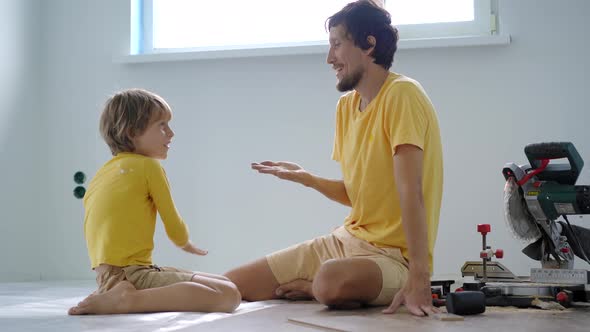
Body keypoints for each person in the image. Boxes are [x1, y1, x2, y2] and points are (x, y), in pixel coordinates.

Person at [224, 0, 442, 317]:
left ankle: (316, 288)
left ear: (369, 44)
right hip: (345, 241)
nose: (330, 58)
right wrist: (308, 179)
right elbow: (358, 195)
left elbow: (412, 192)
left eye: (337, 45)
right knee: (229, 286)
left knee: (328, 280)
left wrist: (420, 277)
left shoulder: (402, 95)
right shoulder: (345, 108)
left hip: (394, 259)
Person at [68, 89, 241, 315]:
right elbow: (172, 222)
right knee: (229, 296)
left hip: (111, 274)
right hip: (130, 274)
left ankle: (113, 293)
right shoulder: (148, 166)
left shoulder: (103, 173)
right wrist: (185, 243)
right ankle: (126, 300)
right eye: (162, 125)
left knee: (224, 282)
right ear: (132, 132)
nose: (171, 133)